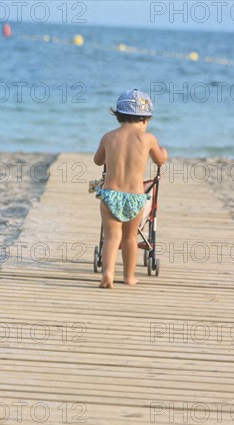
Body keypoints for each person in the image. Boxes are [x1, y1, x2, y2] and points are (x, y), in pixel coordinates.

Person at [93, 88, 168, 288]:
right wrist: (164, 152)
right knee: (129, 237)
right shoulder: (148, 139)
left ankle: (107, 274)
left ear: (118, 116)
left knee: (111, 237)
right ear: (145, 120)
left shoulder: (108, 137)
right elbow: (159, 159)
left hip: (110, 195)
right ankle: (129, 276)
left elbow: (97, 161)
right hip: (135, 197)